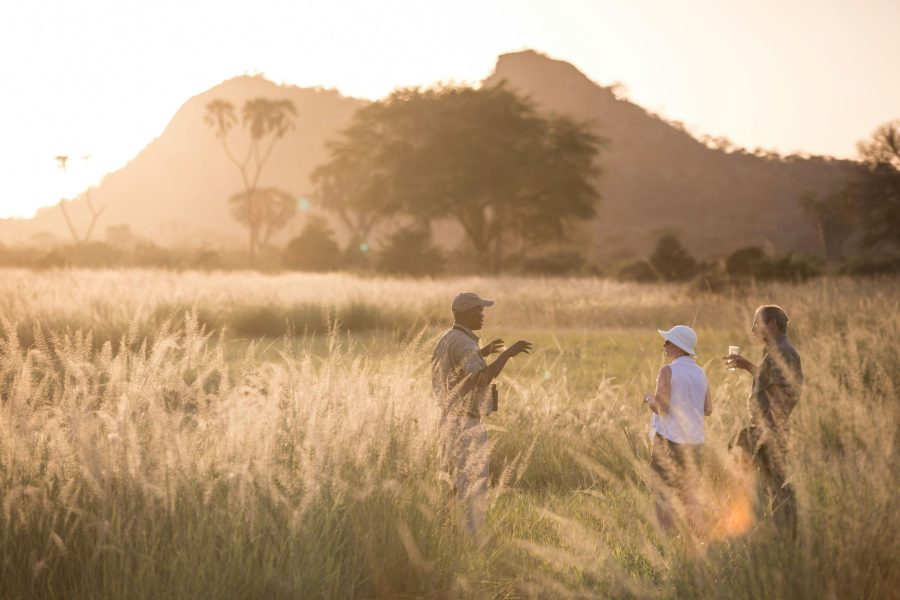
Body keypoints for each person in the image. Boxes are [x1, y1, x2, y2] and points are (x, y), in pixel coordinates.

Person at [431, 292, 532, 535]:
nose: (483, 315)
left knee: (452, 487)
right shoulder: (464, 343)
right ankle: (472, 542)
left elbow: (457, 371)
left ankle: (449, 539)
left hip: (449, 421)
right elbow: (481, 378)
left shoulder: (448, 338)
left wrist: (482, 353)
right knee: (473, 487)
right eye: (479, 310)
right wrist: (508, 354)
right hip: (466, 424)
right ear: (466, 313)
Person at [726, 304, 803, 540]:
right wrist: (748, 365)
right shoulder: (774, 350)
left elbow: (783, 394)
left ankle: (786, 540)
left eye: (756, 323)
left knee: (779, 487)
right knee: (771, 485)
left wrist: (765, 431)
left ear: (771, 325)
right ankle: (777, 537)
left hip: (772, 430)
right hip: (768, 428)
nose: (752, 329)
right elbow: (769, 382)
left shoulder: (783, 352)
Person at [643, 325, 712, 533]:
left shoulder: (668, 370)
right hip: (695, 442)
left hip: (669, 441)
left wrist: (648, 398)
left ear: (680, 347)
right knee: (689, 495)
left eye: (669, 342)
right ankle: (697, 539)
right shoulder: (701, 373)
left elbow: (662, 408)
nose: (664, 345)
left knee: (663, 493)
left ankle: (668, 539)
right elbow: (708, 409)